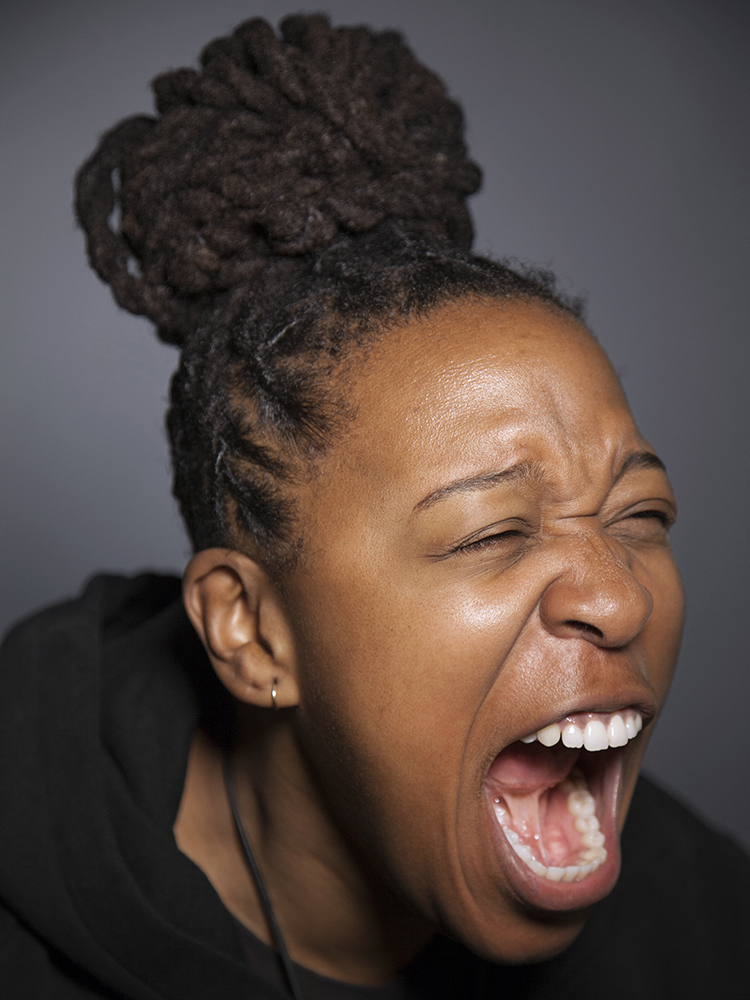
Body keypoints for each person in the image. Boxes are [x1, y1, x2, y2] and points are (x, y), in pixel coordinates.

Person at [1, 14, 748, 1000]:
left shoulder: (713, 931)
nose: (620, 600)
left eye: (640, 514)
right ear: (253, 633)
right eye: (494, 529)